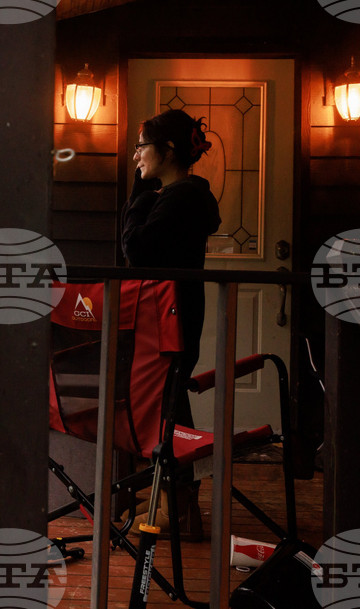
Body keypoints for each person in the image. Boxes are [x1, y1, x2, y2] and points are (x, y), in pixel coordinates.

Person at [121, 108, 221, 540]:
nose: (136, 156)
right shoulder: (179, 196)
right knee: (166, 405)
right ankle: (173, 500)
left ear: (169, 150)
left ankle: (182, 510)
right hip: (169, 316)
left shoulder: (180, 197)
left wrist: (140, 201)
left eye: (142, 147)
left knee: (169, 408)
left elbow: (138, 251)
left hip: (171, 318)